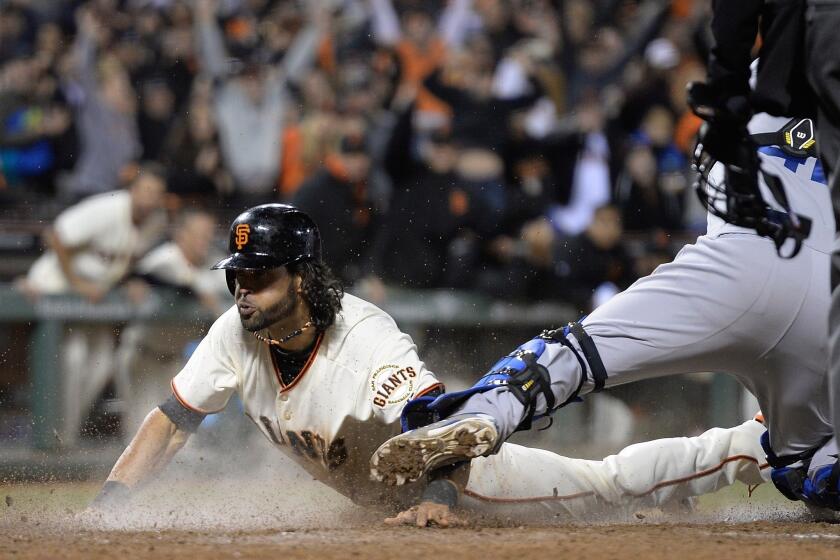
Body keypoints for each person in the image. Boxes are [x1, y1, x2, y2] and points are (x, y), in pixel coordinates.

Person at [91, 203, 771, 525]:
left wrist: (440, 503)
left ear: (300, 277)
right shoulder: (235, 331)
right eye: (239, 275)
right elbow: (173, 420)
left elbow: (440, 430)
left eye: (260, 277)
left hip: (473, 475)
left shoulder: (363, 339)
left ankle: (760, 445)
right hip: (393, 489)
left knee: (613, 487)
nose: (244, 290)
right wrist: (112, 504)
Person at [370, 114, 837, 516]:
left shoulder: (761, 81)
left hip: (739, 260)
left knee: (574, 353)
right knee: (802, 462)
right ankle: (820, 463)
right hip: (830, 293)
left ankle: (483, 410)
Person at [18, 163, 167, 445]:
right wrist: (77, 283)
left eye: (156, 193)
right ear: (132, 190)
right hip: (57, 287)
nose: (150, 198)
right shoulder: (108, 207)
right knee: (73, 359)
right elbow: (56, 235)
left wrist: (130, 282)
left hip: (92, 301)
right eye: (145, 190)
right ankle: (49, 442)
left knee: (102, 363)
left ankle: (65, 438)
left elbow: (120, 261)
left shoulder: (152, 222)